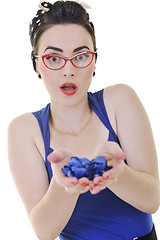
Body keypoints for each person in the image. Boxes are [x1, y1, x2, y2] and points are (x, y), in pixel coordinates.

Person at [8, 1, 160, 239]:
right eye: (54, 58)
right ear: (37, 64)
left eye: (80, 56)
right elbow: (44, 231)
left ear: (94, 61)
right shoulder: (24, 130)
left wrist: (118, 175)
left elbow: (152, 200)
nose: (68, 71)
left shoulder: (121, 99)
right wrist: (64, 186)